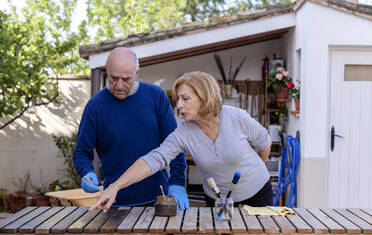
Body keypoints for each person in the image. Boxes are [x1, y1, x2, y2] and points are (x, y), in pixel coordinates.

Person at [89, 71, 273, 212]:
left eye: (185, 98)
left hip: (257, 193)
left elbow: (264, 143)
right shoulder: (184, 132)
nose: (179, 105)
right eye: (178, 99)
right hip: (217, 198)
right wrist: (115, 187)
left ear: (204, 96)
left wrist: (251, 175)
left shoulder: (236, 117)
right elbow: (156, 159)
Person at [73, 47, 189, 209]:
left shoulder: (156, 96)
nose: (119, 85)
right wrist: (86, 172)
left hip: (158, 198)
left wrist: (177, 182)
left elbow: (176, 144)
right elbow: (81, 152)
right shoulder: (95, 106)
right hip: (115, 201)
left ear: (137, 73)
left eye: (126, 79)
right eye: (113, 78)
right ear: (107, 72)